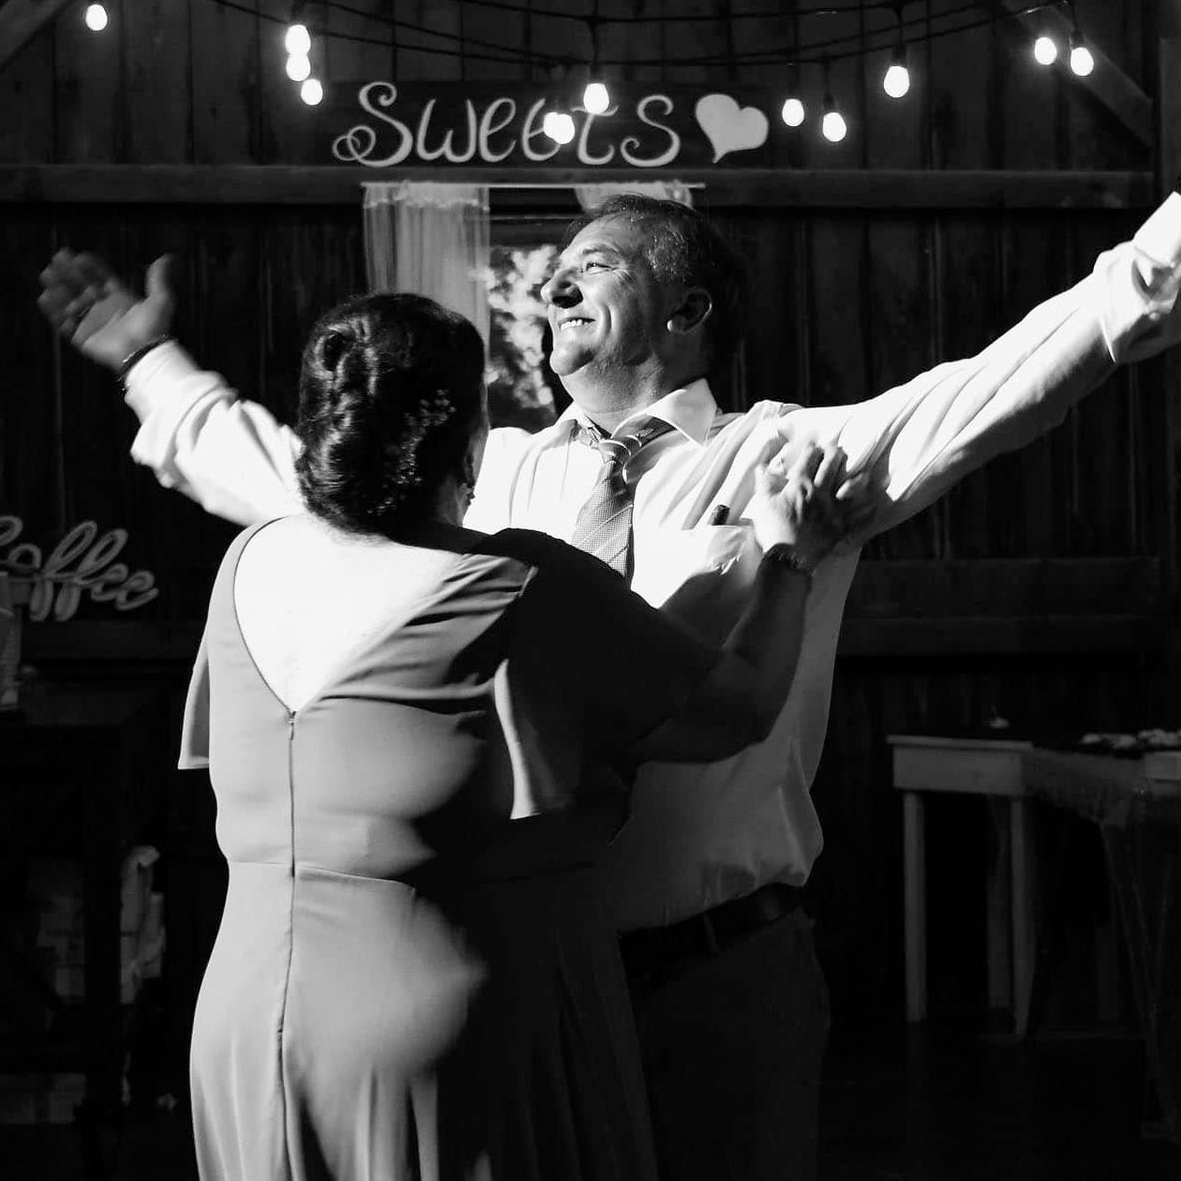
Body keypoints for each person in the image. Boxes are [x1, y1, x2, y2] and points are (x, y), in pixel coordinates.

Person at [39, 88, 1181, 1181]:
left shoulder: (792, 459)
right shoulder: (486, 482)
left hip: (722, 978)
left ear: (690, 306)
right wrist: (154, 366)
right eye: (554, 279)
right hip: (521, 985)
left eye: (595, 263)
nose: (555, 286)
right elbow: (286, 479)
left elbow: (1000, 385)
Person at [176, 290, 863, 1180]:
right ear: (466, 441)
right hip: (441, 1043)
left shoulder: (248, 562)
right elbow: (738, 709)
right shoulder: (517, 585)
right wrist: (787, 561)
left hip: (243, 1029)